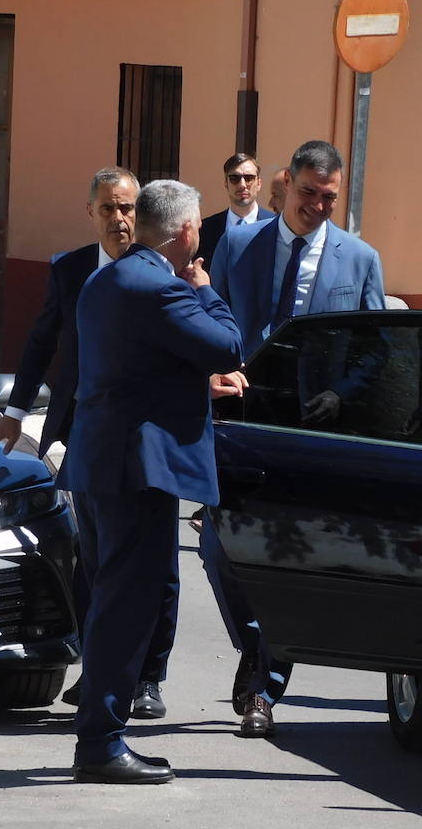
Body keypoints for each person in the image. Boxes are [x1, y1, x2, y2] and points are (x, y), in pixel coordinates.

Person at [0, 168, 175, 717]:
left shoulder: (156, 270)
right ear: (91, 213)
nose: (119, 219)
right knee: (95, 556)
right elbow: (40, 342)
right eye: (108, 208)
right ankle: (103, 671)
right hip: (86, 428)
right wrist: (14, 413)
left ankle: (147, 679)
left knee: (155, 564)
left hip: (145, 437)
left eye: (128, 208)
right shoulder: (71, 269)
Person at [63, 180, 244, 785]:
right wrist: (207, 291)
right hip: (134, 471)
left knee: (116, 598)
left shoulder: (108, 278)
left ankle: (101, 732)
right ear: (187, 231)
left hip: (103, 464)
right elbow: (227, 347)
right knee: (127, 604)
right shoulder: (160, 286)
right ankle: (102, 742)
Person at [206, 139, 385, 739]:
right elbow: (217, 323)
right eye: (308, 194)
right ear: (286, 184)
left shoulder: (359, 259)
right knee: (218, 546)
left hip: (313, 425)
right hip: (242, 416)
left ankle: (265, 686)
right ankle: (257, 643)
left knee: (286, 554)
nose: (317, 207)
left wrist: (345, 393)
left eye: (329, 199)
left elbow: (375, 349)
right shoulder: (237, 244)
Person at [195, 153, 266, 269]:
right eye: (234, 178)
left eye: (249, 178)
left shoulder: (275, 224)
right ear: (226, 183)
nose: (242, 185)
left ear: (259, 184)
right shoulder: (205, 229)